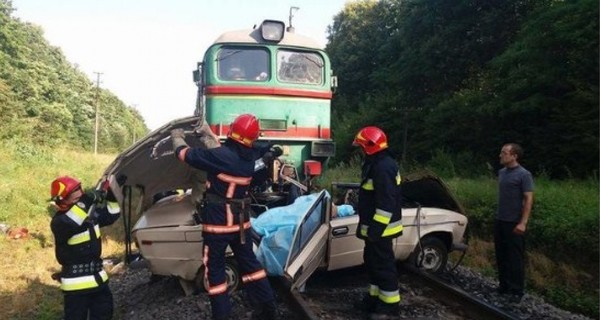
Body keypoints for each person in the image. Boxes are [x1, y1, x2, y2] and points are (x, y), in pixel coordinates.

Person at [171, 114, 278, 320]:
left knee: (216, 272)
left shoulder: (221, 156)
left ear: (232, 130)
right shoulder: (252, 156)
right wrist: (206, 134)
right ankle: (267, 308)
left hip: (218, 224)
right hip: (240, 224)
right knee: (251, 265)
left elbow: (185, 155)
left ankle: (221, 315)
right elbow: (223, 152)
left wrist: (176, 137)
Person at [49, 176, 121, 320]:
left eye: (80, 198)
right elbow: (72, 222)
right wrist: (86, 201)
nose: (79, 202)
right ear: (62, 202)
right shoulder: (59, 222)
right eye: (76, 200)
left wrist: (112, 194)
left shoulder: (89, 215)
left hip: (99, 283)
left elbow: (112, 214)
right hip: (76, 289)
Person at [352, 126, 403, 320]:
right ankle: (374, 299)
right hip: (374, 228)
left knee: (383, 265)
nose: (360, 150)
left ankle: (390, 306)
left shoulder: (383, 167)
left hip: (382, 229)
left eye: (361, 147)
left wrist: (376, 230)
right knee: (373, 263)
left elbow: (386, 203)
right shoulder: (376, 163)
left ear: (370, 147)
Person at [495, 143, 534, 303]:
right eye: (501, 152)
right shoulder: (502, 172)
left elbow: (528, 199)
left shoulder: (524, 175)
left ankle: (516, 290)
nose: (500, 155)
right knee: (501, 254)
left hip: (514, 222)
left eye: (504, 153)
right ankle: (504, 285)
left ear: (514, 156)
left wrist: (523, 222)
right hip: (500, 220)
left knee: (515, 257)